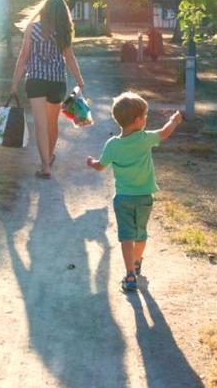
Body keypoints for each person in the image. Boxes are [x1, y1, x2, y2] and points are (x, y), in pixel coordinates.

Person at [86, 91, 183, 292]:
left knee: (126, 236)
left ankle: (130, 275)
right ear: (138, 120)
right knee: (141, 234)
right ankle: (137, 261)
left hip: (123, 199)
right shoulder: (144, 139)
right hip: (144, 197)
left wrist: (91, 162)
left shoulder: (112, 144)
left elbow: (101, 166)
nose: (146, 120)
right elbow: (165, 132)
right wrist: (174, 120)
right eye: (145, 116)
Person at [9, 0, 86, 179]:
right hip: (57, 82)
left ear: (44, 9)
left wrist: (14, 82)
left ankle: (45, 165)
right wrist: (80, 80)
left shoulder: (32, 29)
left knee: (41, 124)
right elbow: (69, 58)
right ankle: (48, 157)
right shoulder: (63, 31)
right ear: (62, 12)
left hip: (36, 80)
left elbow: (23, 57)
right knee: (52, 123)